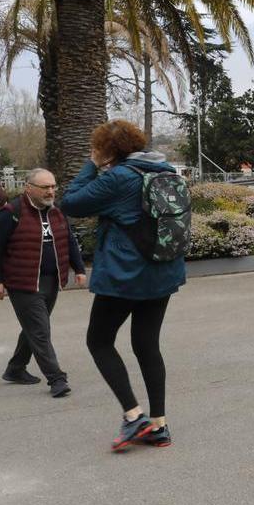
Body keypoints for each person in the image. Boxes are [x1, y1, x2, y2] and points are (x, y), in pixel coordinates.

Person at [61, 120, 186, 451]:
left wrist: (92, 163)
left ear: (107, 149)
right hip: (162, 272)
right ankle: (159, 425)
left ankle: (134, 416)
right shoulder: (164, 169)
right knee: (147, 344)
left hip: (125, 276)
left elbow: (70, 203)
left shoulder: (118, 178)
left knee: (99, 341)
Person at [0, 168, 86, 398]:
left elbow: (69, 240)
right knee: (40, 330)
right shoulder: (11, 212)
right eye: (45, 187)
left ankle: (15, 368)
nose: (50, 191)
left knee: (34, 328)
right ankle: (57, 379)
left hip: (51, 280)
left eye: (53, 186)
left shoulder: (57, 212)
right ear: (28, 188)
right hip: (23, 282)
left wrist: (78, 268)